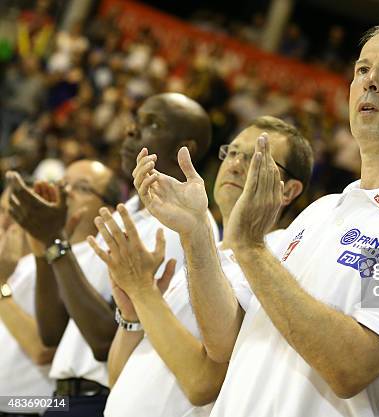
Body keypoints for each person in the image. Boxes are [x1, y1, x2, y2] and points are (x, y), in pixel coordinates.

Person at [148, 19, 379, 417]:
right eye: (362, 69)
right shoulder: (320, 212)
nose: (370, 81)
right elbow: (225, 341)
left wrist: (252, 249)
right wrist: (196, 230)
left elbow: (351, 367)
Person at [5, 93, 218, 416]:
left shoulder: (183, 227)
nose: (131, 130)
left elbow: (106, 338)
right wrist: (49, 244)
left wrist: (53, 246)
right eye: (136, 119)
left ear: (185, 146)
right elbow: (53, 332)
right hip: (61, 396)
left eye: (152, 124)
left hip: (98, 396)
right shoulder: (123, 216)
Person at [89, 116, 313, 417]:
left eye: (256, 158)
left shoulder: (279, 258)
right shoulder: (204, 254)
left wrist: (144, 292)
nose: (235, 164)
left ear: (288, 191)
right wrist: (132, 317)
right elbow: (118, 379)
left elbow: (202, 384)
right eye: (232, 152)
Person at [5, 160, 120, 416]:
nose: (66, 191)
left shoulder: (108, 257)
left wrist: (1, 287)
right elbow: (51, 334)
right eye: (63, 183)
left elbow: (44, 349)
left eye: (82, 187)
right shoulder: (37, 257)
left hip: (47, 402)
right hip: (49, 400)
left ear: (109, 210)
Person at [0, 189, 55, 416]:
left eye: (15, 213)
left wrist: (0, 283)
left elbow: (43, 350)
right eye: (2, 210)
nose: (4, 221)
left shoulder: (50, 268)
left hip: (30, 407)